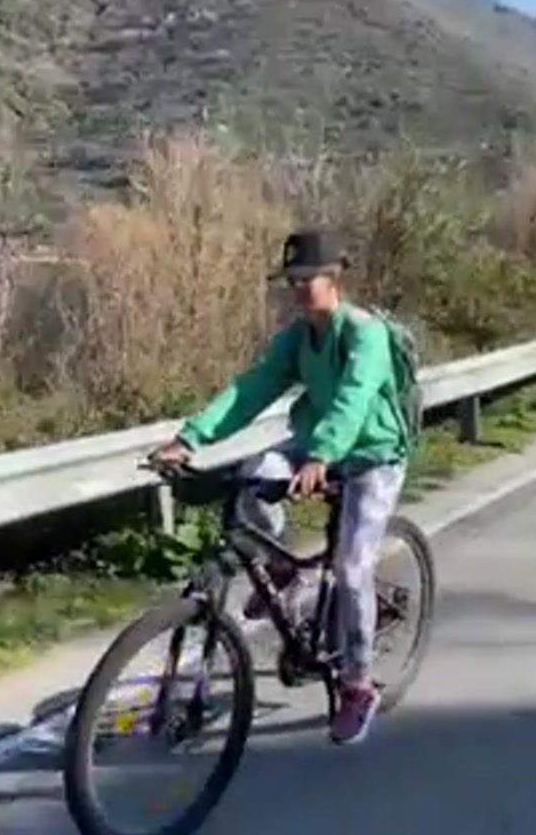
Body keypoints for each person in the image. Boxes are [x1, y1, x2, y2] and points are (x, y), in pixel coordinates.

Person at [149, 229, 408, 745]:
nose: (300, 289)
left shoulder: (365, 333)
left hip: (373, 455)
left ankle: (358, 684)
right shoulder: (297, 338)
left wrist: (323, 455)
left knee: (352, 567)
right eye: (292, 281)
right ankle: (283, 572)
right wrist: (190, 438)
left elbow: (354, 399)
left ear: (334, 278)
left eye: (308, 278)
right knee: (254, 475)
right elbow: (253, 388)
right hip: (315, 445)